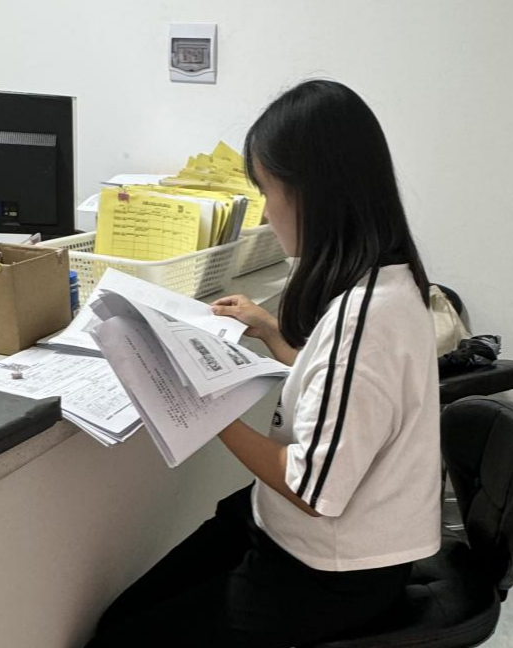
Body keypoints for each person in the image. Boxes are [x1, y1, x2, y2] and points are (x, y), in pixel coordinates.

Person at [85, 79, 442, 648]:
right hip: (290, 530)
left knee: (121, 639)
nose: (267, 212)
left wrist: (203, 408)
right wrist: (272, 332)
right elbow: (343, 397)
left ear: (311, 195)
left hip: (332, 570)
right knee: (124, 618)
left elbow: (312, 491)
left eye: (267, 192)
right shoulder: (385, 284)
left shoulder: (368, 319)